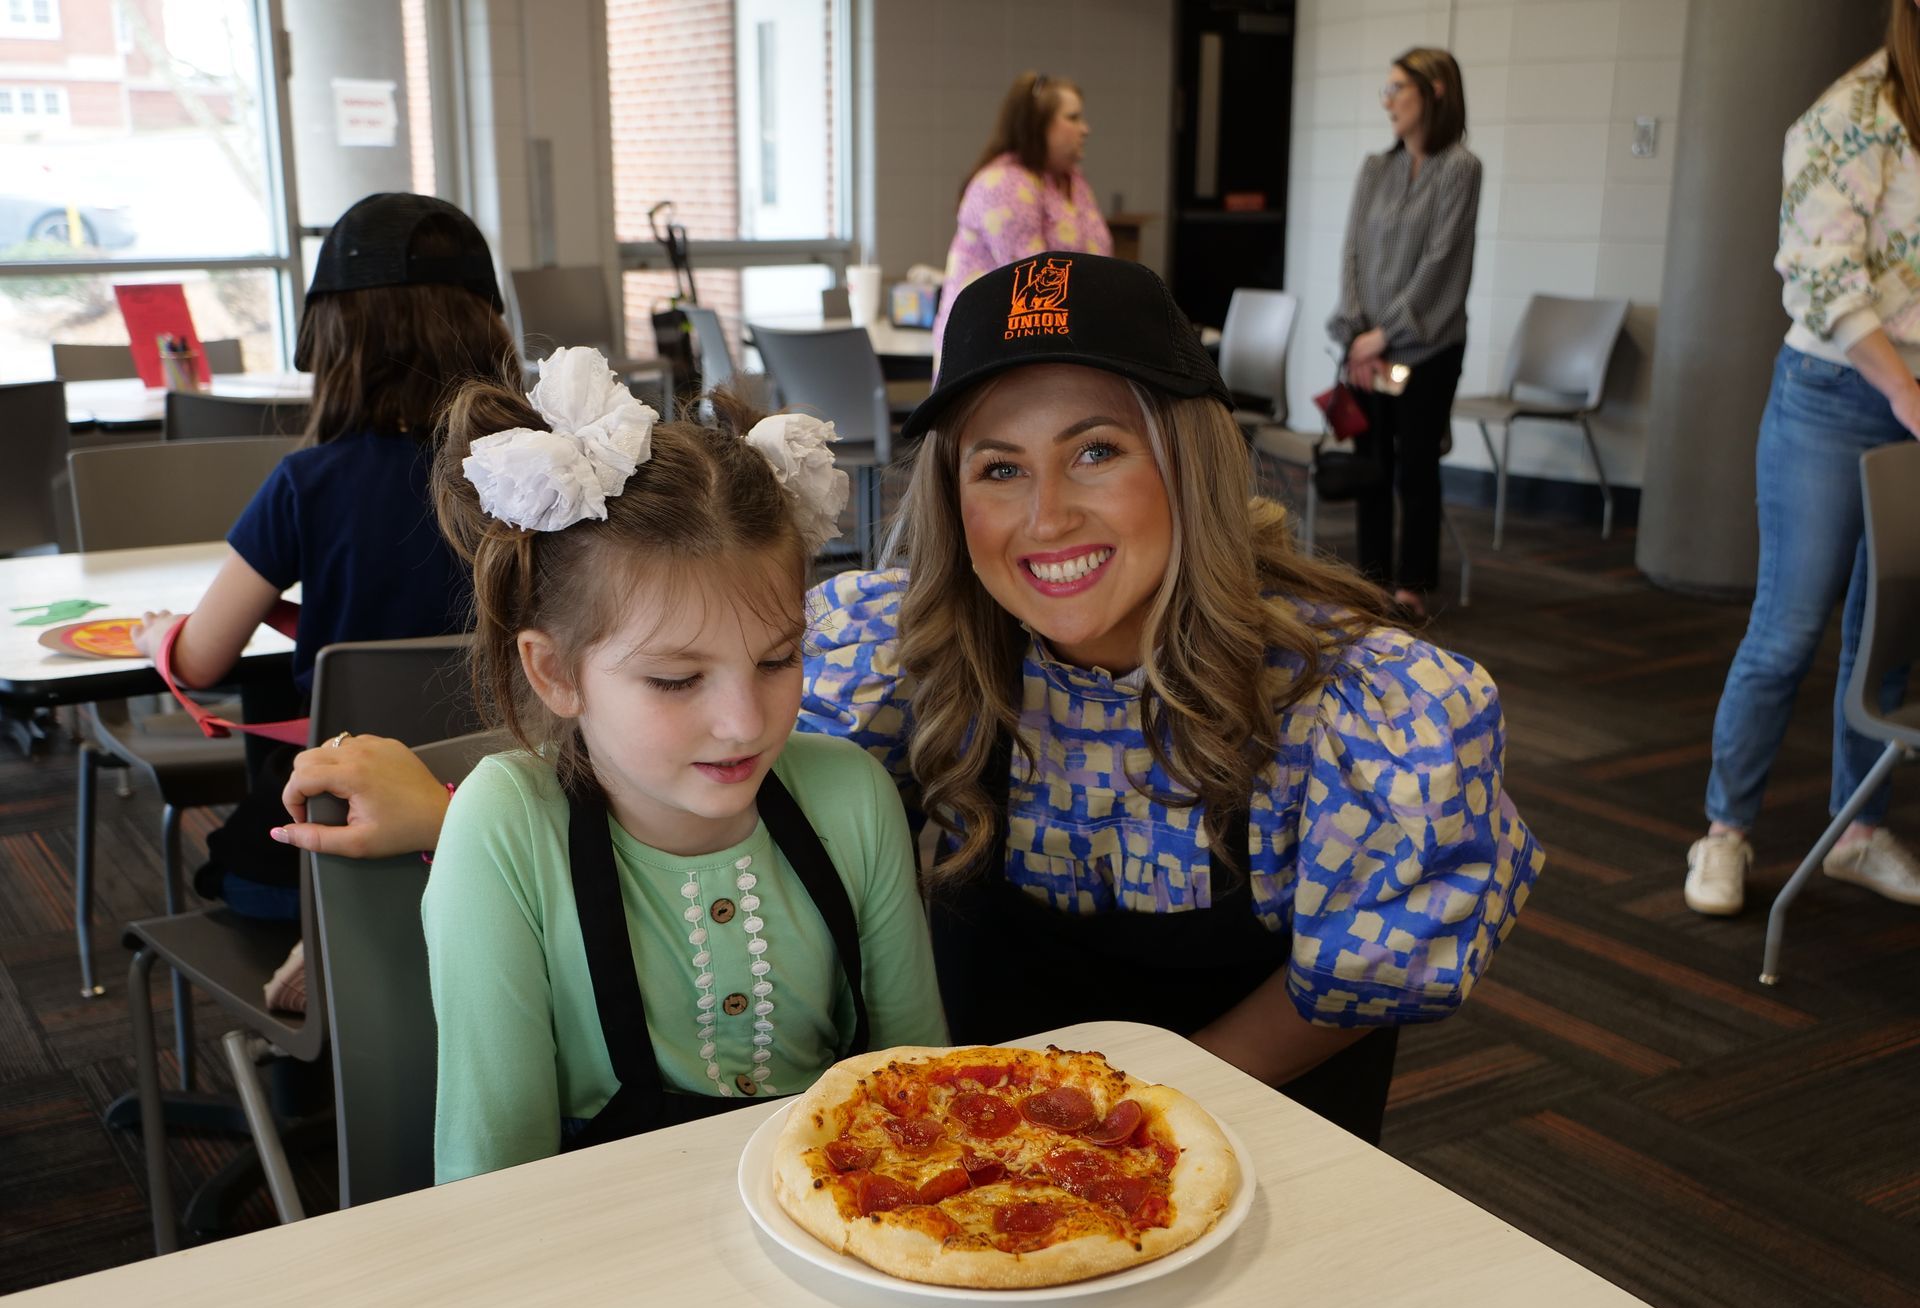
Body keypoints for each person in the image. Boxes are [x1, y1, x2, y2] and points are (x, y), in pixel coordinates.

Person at [277, 256, 1542, 1148]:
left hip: (1248, 1156)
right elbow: (689, 764)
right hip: (975, 1163)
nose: (1045, 516)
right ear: (951, 492)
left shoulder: (1369, 709)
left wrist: (1103, 1132)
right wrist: (456, 811)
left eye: (1096, 448)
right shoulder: (906, 652)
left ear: (1190, 458)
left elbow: (1348, 987)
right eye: (1000, 467)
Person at [415, 348, 946, 1182]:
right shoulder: (508, 828)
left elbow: (925, 1099)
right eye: (676, 679)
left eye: (777, 661)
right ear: (556, 673)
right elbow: (492, 1180)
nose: (743, 723)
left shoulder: (851, 798)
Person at [130, 191, 517, 1009]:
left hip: (333, 838)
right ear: (491, 325)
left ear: (333, 341)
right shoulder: (536, 481)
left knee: (239, 867)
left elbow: (202, 662)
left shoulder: (307, 486)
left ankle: (346, 940)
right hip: (503, 831)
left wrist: (160, 635)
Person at [1686, 5, 1920, 917]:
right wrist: (1903, 391)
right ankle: (1724, 832)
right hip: (1837, 394)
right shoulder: (1850, 112)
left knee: (1884, 643)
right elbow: (1820, 273)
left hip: (1912, 398)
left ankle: (1858, 834)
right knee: (1786, 633)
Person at [1328, 47, 1480, 624]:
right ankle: (1370, 582)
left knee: (1415, 465)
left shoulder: (1460, 169)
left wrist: (1385, 333)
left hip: (1428, 348)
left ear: (1435, 91)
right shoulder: (1376, 167)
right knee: (1371, 464)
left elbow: (1442, 264)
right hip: (1367, 346)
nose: (1387, 101)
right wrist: (1357, 333)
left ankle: (1412, 586)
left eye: (1398, 88)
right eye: (1386, 89)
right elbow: (1353, 252)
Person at [929, 71, 1112, 368]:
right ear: (1038, 125)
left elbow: (1100, 267)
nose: (1085, 129)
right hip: (987, 353)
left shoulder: (1071, 181)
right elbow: (1036, 284)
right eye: (1073, 117)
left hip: (1053, 347)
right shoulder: (1004, 184)